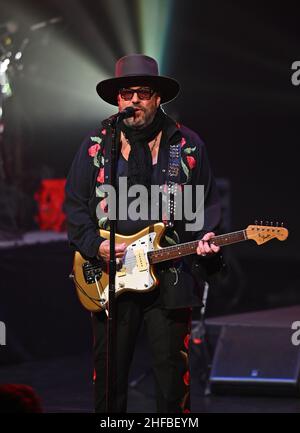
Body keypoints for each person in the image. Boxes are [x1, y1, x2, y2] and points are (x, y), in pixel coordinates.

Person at [64, 54, 222, 413]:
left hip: (171, 273)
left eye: (143, 92)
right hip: (112, 279)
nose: (133, 100)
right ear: (117, 100)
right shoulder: (96, 146)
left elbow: (206, 205)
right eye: (126, 93)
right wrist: (97, 245)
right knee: (109, 381)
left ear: (157, 98)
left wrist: (207, 237)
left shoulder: (188, 146)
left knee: (172, 380)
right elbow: (74, 205)